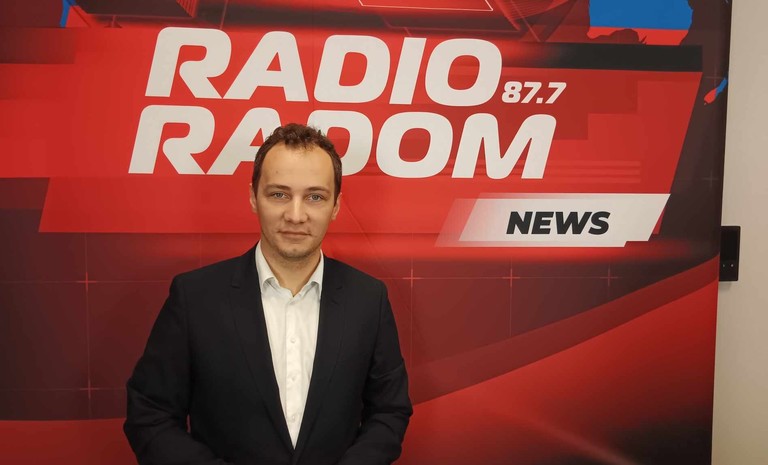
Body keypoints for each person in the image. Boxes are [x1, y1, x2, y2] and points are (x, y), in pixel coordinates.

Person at [124, 123, 412, 465]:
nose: (295, 215)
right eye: (279, 194)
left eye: (315, 197)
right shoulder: (194, 297)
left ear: (335, 205)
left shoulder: (369, 299)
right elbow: (150, 414)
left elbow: (389, 411)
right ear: (253, 197)